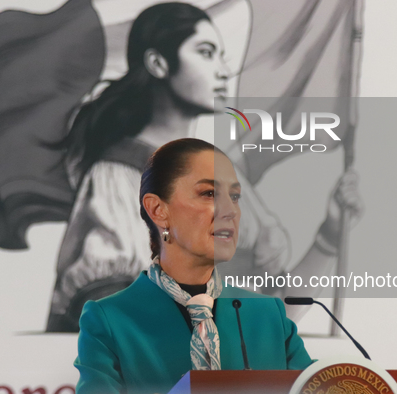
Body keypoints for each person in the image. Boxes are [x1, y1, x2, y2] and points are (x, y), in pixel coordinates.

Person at [48, 1, 363, 332]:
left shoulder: (224, 176)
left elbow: (272, 322)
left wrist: (329, 235)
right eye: (205, 52)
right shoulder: (119, 176)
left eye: (220, 55)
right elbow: (116, 327)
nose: (223, 70)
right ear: (158, 63)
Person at [74, 138, 313, 394]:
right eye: (209, 193)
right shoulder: (109, 320)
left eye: (235, 196)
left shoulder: (269, 316)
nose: (230, 210)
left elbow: (319, 386)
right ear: (158, 210)